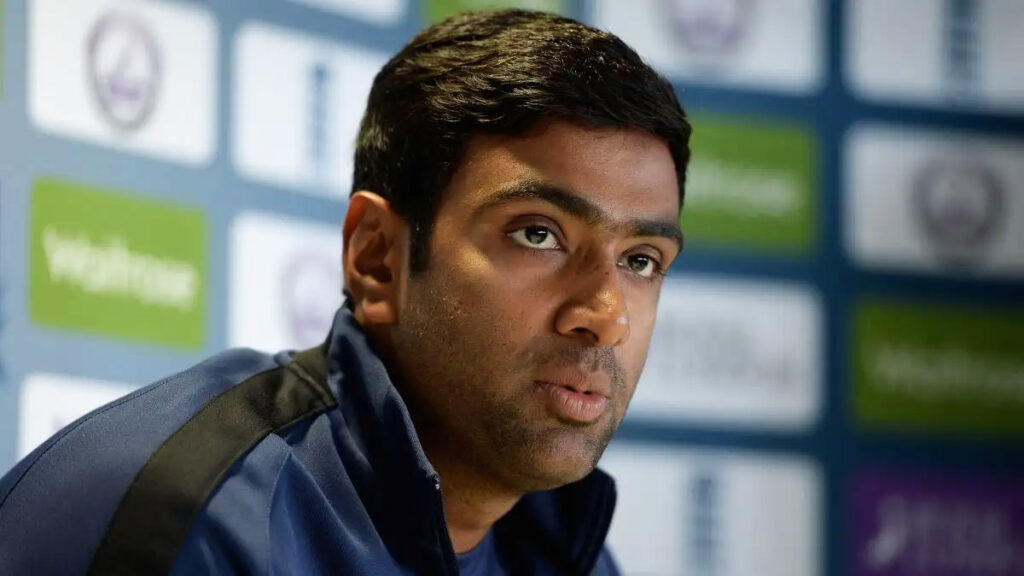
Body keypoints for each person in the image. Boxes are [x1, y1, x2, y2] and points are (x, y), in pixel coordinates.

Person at [0, 9, 689, 575]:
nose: (606, 316)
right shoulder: (186, 522)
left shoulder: (564, 548)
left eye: (641, 260)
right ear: (377, 257)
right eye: (538, 234)